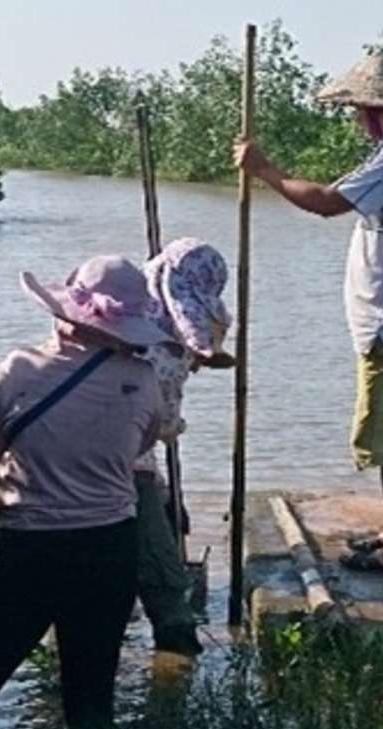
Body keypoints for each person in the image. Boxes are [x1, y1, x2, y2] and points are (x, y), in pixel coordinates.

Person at [0, 254, 188, 729]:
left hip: (31, 549)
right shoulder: (144, 384)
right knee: (90, 704)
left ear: (68, 316)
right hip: (110, 549)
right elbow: (136, 450)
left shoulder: (21, 367)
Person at [234, 47, 383, 573]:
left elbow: (328, 202)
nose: (358, 122)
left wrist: (266, 170)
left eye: (360, 111)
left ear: (382, 110)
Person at [131, 238, 234, 657]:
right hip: (118, 468)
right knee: (166, 584)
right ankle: (175, 671)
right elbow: (160, 428)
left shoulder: (124, 314)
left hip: (52, 470)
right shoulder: (166, 354)